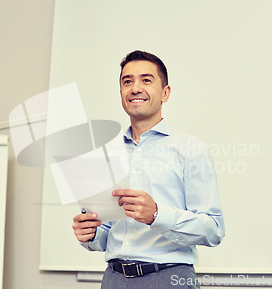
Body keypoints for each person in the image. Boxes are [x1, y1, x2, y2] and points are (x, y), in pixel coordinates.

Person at [72, 50, 225, 289]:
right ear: (121, 93)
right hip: (114, 279)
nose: (135, 88)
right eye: (127, 81)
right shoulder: (106, 154)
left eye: (146, 80)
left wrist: (156, 214)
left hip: (169, 278)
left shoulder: (190, 149)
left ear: (165, 93)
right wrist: (90, 233)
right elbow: (106, 235)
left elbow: (213, 229)